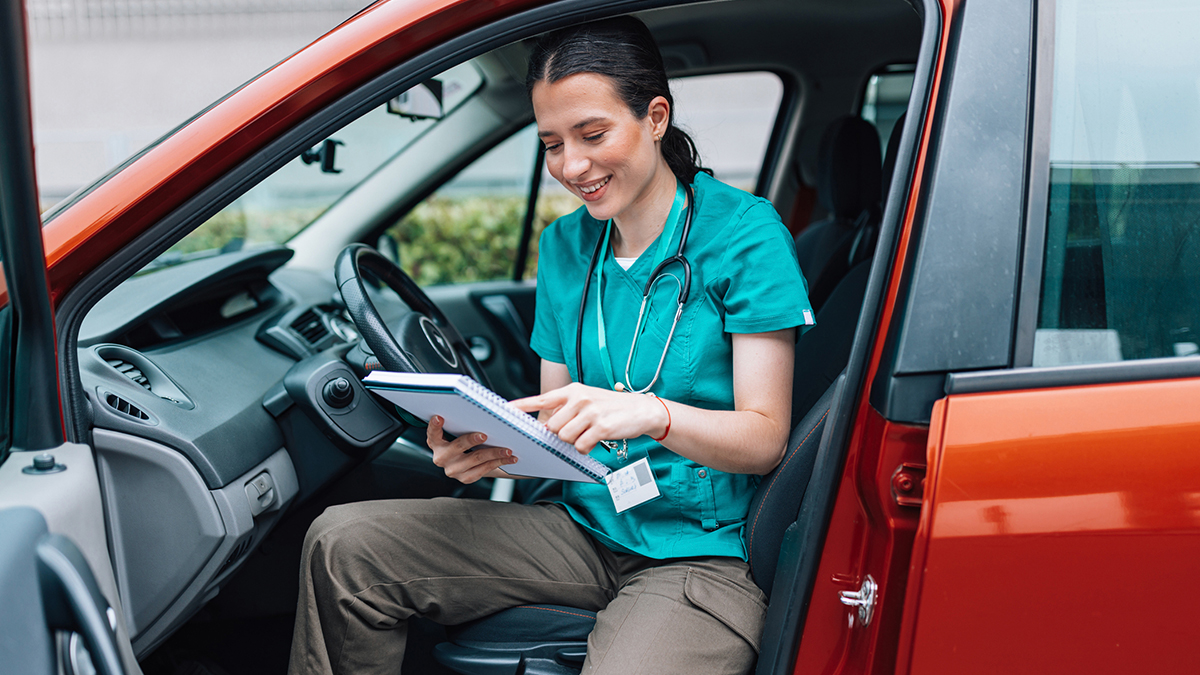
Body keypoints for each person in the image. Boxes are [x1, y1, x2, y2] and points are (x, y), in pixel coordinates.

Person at [288, 16, 814, 675]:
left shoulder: (746, 234)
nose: (572, 165)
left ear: (655, 117)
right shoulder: (566, 248)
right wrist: (486, 453)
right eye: (552, 144)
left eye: (593, 135)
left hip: (701, 554)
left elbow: (766, 437)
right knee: (343, 545)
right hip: (584, 529)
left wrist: (655, 414)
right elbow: (555, 430)